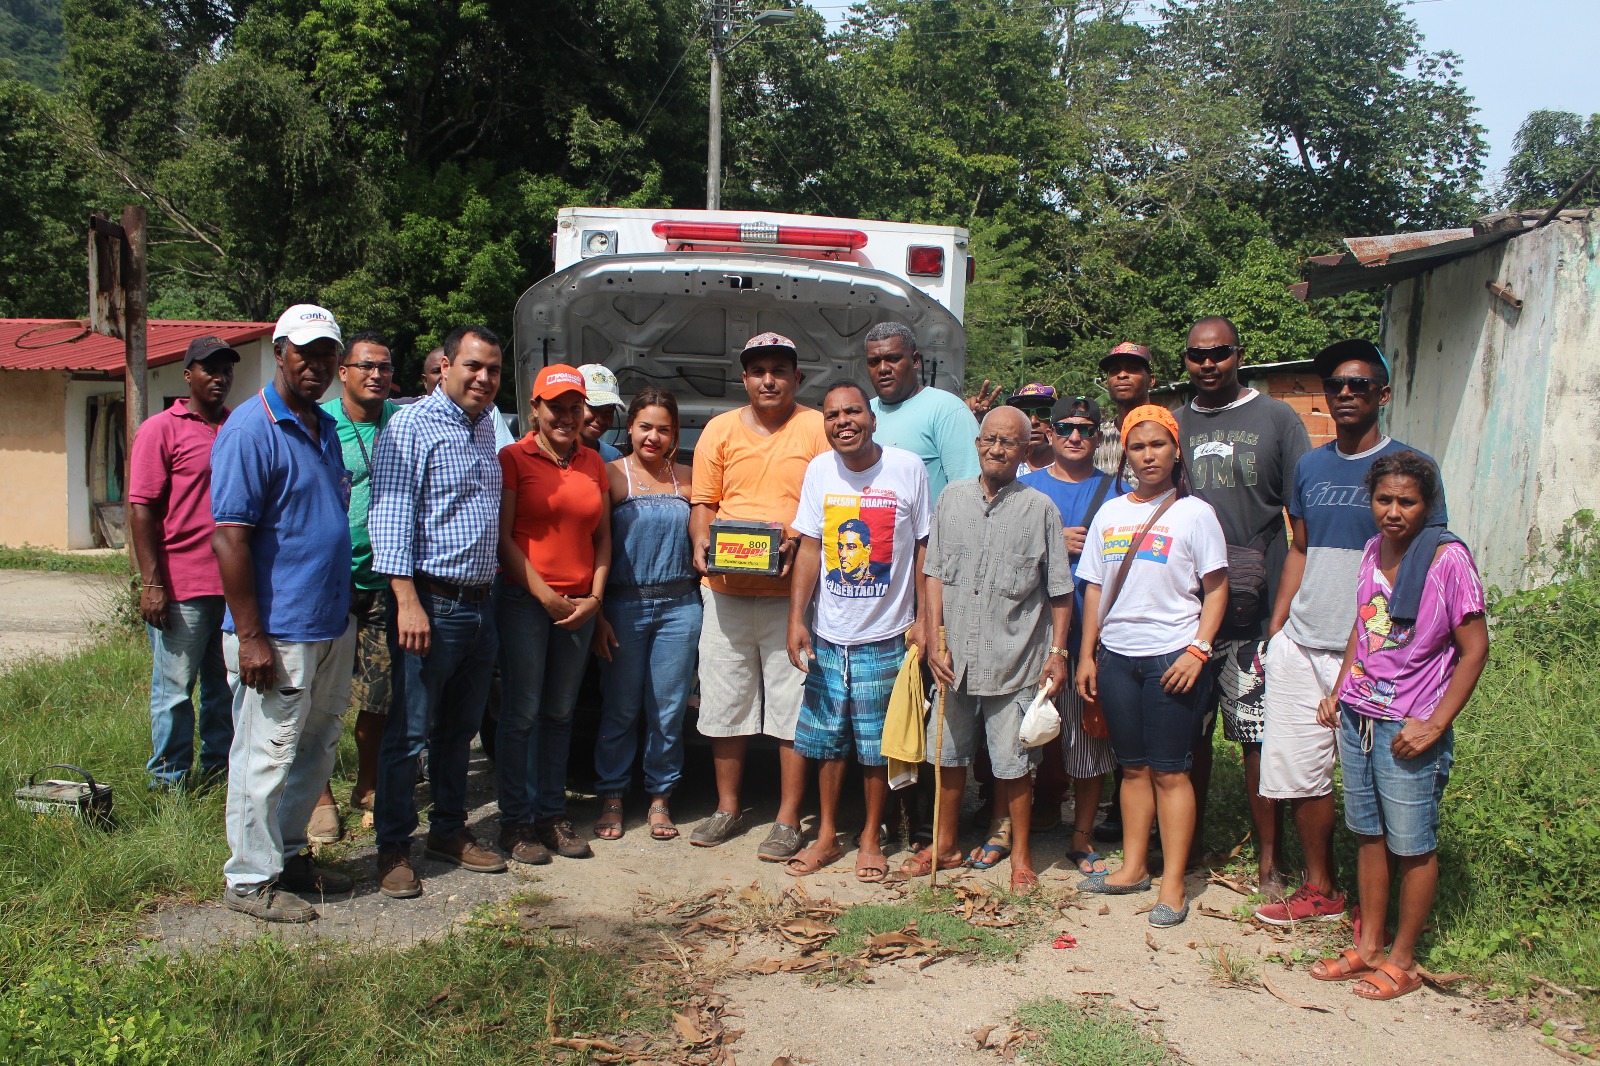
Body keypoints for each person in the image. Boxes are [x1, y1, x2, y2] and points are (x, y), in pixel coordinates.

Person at [1255, 339, 1448, 925]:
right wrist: (1278, 624)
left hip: (1374, 657)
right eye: (1335, 384)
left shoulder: (1410, 469)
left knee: (1381, 785)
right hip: (1303, 642)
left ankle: (1379, 906)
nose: (1344, 393)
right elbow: (1301, 548)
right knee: (1301, 773)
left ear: (1382, 394)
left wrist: (1401, 647)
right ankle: (1322, 888)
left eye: (1358, 384)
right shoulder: (1310, 466)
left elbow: (1429, 558)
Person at [1308, 451, 1486, 1000]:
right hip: (1360, 716)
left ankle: (1404, 961)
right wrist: (1340, 690)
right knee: (1370, 836)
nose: (1393, 511)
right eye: (1384, 499)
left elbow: (1474, 649)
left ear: (1427, 504)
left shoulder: (1448, 560)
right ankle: (1369, 947)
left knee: (1413, 845)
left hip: (1409, 727)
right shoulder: (1370, 551)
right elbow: (1362, 633)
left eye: (1406, 501)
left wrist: (1434, 724)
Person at [209, 304, 356, 922]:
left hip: (329, 622)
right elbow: (230, 538)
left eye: (327, 355)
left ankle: (289, 855)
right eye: (306, 353)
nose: (317, 365)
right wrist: (250, 637)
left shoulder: (323, 426)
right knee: (264, 753)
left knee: (317, 748)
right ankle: (248, 878)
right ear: (280, 352)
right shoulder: (252, 429)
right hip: (276, 630)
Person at [1075, 405, 1228, 928]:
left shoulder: (1195, 513)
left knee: (1171, 771)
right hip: (1117, 656)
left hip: (1172, 657)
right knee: (1133, 767)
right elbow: (1093, 586)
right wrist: (1087, 655)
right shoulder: (1111, 514)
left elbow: (1216, 588)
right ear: (1125, 453)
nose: (1147, 456)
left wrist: (1198, 650)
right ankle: (1134, 866)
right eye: (1137, 447)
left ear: (1175, 449)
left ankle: (1172, 882)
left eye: (1157, 444)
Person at [369, 324, 508, 898]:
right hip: (430, 603)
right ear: (445, 366)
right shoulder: (411, 426)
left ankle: (448, 831)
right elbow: (391, 516)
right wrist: (406, 600)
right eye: (473, 366)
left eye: (493, 370)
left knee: (460, 731)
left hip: (481, 606)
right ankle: (394, 847)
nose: (483, 378)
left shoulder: (484, 430)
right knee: (409, 733)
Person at [1175, 316, 1310, 892]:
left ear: (1239, 355)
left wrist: (1284, 609)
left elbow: (1300, 521)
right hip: (1190, 609)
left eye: (1220, 353)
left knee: (1256, 736)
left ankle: (1269, 862)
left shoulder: (1277, 419)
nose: (1209, 364)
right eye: (1197, 355)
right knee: (1190, 735)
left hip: (1257, 608)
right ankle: (1189, 846)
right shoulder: (1175, 424)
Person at [915, 406, 1073, 894]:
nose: (996, 450)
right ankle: (945, 844)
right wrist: (931, 634)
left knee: (1015, 766)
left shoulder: (1041, 508)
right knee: (949, 757)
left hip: (1015, 660)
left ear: (1026, 450)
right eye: (989, 440)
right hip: (953, 660)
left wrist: (1059, 653)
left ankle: (1021, 858)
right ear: (978, 442)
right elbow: (934, 572)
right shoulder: (952, 498)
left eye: (1008, 443)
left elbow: (1060, 591)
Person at [688, 332, 829, 858]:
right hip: (724, 593)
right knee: (726, 702)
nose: (767, 379)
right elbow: (703, 502)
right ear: (743, 378)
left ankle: (788, 819)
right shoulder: (720, 430)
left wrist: (794, 539)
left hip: (791, 599)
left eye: (778, 369)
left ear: (797, 377)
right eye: (756, 370)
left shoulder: (816, 427)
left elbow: (828, 501)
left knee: (793, 708)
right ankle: (727, 807)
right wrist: (702, 540)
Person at [786, 382, 931, 881]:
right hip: (829, 635)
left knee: (877, 745)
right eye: (832, 415)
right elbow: (809, 548)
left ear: (871, 418)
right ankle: (827, 835)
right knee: (827, 741)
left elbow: (924, 549)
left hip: (887, 635)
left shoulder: (907, 468)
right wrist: (796, 621)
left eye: (852, 412)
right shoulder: (819, 470)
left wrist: (926, 618)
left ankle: (871, 835)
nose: (842, 422)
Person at [495, 364, 611, 862]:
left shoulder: (593, 462)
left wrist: (595, 598)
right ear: (535, 408)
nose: (566, 416)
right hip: (526, 601)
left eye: (573, 407)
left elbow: (603, 538)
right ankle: (516, 821)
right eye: (555, 406)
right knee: (521, 713)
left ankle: (550, 813)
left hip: (579, 606)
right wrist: (543, 594)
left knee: (560, 713)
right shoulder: (513, 458)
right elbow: (502, 539)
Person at [128, 335, 238, 791]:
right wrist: (151, 583)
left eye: (226, 369)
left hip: (233, 587)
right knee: (174, 692)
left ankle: (217, 776)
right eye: (208, 369)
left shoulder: (237, 426)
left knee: (223, 690)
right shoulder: (161, 428)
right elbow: (140, 508)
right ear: (187, 374)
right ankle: (168, 783)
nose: (219, 377)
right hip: (181, 587)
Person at [591, 387, 701, 841]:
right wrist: (596, 610)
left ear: (675, 433)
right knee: (619, 707)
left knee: (669, 709)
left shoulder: (691, 479)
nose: (653, 436)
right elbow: (593, 544)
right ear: (630, 427)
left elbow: (706, 537)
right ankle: (613, 796)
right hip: (622, 605)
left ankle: (660, 798)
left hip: (680, 607)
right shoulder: (610, 475)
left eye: (663, 428)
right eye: (645, 426)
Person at [1019, 396, 1122, 874]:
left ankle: (1081, 837)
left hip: (1091, 636)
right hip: (1028, 631)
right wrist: (1050, 543)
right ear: (1050, 433)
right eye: (1065, 428)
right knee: (1015, 734)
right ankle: (1008, 828)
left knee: (1088, 738)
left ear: (1098, 436)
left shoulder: (1120, 490)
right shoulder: (1024, 486)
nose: (1075, 436)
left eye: (1086, 428)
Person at [308, 331, 400, 837]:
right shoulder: (322, 424)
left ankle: (368, 784)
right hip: (331, 583)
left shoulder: (403, 422)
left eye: (385, 367)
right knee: (322, 695)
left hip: (387, 581)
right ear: (343, 372)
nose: (376, 375)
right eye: (366, 366)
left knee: (379, 696)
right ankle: (318, 794)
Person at [864, 321, 980, 501]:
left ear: (915, 360)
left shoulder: (947, 409)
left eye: (893, 358)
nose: (883, 369)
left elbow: (969, 493)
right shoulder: (861, 413)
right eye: (874, 362)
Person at [1096, 342, 1155, 480]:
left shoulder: (1170, 433)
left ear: (1151, 380)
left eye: (1133, 369)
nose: (1122, 375)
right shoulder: (1096, 439)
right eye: (1114, 370)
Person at [1006, 383, 1058, 475]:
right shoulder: (1005, 468)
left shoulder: (1070, 468)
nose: (1033, 421)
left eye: (1043, 412)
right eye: (1024, 414)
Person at [577, 363, 626, 462]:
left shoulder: (614, 458)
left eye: (609, 412)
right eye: (593, 408)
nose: (601, 419)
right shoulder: (550, 453)